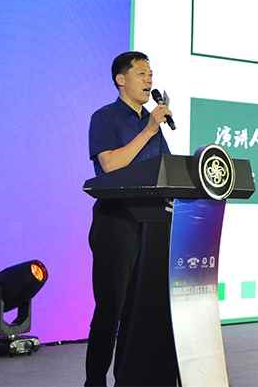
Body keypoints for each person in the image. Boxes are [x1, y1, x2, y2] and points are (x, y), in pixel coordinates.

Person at [84, 51, 172, 387]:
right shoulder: (105, 117)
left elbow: (165, 172)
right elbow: (110, 165)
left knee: (140, 313)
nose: (149, 79)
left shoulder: (152, 124)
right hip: (116, 222)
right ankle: (95, 382)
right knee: (111, 309)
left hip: (153, 224)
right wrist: (149, 130)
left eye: (151, 74)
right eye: (141, 73)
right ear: (121, 79)